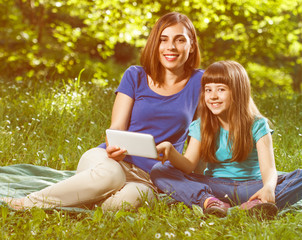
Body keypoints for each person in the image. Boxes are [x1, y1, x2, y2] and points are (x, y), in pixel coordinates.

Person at [2, 12, 203, 211]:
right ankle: (28, 203)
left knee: (127, 202)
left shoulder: (201, 84)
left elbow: (196, 152)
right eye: (163, 40)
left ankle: (87, 198)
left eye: (180, 40)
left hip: (151, 178)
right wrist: (112, 147)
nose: (171, 47)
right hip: (110, 163)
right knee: (110, 177)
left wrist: (176, 156)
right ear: (155, 44)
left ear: (191, 45)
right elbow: (116, 128)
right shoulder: (135, 75)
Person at [150, 60, 302, 218]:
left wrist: (268, 187)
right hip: (215, 187)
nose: (213, 96)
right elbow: (188, 166)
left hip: (252, 186)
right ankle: (209, 202)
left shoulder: (257, 125)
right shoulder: (200, 126)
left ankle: (255, 204)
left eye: (221, 89)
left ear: (238, 92)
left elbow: (269, 170)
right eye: (208, 90)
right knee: (159, 170)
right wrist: (170, 151)